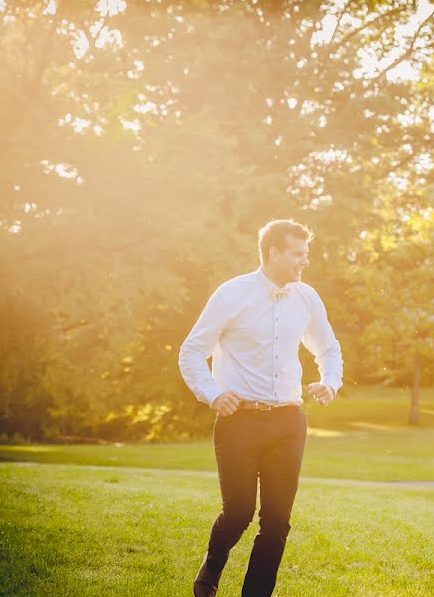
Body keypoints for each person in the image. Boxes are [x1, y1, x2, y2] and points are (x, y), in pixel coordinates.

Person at [178, 219, 342, 597]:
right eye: (298, 254)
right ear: (273, 253)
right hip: (238, 421)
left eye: (306, 253)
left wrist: (330, 382)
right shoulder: (232, 294)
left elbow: (328, 348)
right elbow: (191, 351)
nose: (305, 262)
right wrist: (212, 391)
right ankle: (211, 567)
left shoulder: (306, 297)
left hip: (288, 420)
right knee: (237, 514)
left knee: (277, 522)